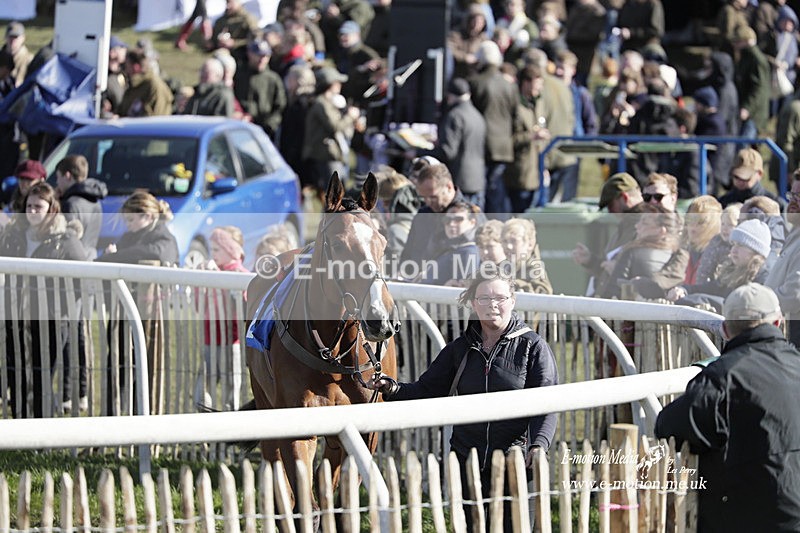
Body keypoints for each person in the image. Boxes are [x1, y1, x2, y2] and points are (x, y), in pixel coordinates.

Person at [368, 273, 558, 529]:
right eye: (484, 298)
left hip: (516, 461)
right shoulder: (460, 349)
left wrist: (538, 445)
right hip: (468, 461)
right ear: (473, 303)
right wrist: (391, 388)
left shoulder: (533, 347)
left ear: (512, 301)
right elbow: (427, 390)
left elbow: (547, 402)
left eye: (500, 298)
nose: (493, 304)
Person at [655, 283, 800, 531]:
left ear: (725, 329)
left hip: (749, 517)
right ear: (778, 323)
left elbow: (668, 426)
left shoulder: (721, 377)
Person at [0, 182, 86, 418]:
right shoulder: (14, 235)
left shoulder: (65, 239)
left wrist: (61, 304)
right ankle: (19, 423)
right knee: (16, 370)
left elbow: (83, 278)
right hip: (16, 314)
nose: (33, 211)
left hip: (51, 318)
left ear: (51, 208)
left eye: (39, 206)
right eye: (29, 206)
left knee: (42, 373)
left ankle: (40, 428)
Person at [195, 226, 249, 410]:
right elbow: (199, 306)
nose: (213, 254)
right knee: (200, 393)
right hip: (210, 340)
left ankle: (228, 433)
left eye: (217, 249)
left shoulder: (239, 273)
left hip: (231, 342)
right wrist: (200, 280)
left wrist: (218, 278)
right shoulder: (211, 271)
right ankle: (207, 427)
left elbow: (242, 307)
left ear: (230, 250)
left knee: (230, 392)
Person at [668, 219, 772, 312]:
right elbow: (709, 289)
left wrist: (699, 299)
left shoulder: (763, 279)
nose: (734, 250)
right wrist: (685, 290)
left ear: (756, 252)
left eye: (741, 245)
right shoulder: (732, 271)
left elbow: (738, 306)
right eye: (733, 244)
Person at [434, 77, 486, 210]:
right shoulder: (477, 115)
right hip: (478, 179)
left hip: (460, 180)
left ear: (450, 96)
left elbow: (448, 152)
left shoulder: (455, 115)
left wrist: (419, 152)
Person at [766, 170, 800, 345]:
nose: (792, 201)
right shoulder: (795, 233)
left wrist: (761, 304)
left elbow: (795, 294)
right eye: (792, 194)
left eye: (799, 196)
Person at [55, 154, 107, 260]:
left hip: (73, 260)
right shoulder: (95, 201)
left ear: (67, 176)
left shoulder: (69, 204)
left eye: (58, 177)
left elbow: (66, 237)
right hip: (90, 257)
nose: (57, 182)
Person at [233, 38, 287, 140]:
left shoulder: (273, 79)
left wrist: (270, 125)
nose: (262, 59)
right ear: (249, 54)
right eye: (258, 55)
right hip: (239, 127)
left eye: (266, 56)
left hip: (264, 131)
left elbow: (280, 106)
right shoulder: (239, 75)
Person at [419, 202, 481, 286]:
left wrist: (446, 287)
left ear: (472, 222)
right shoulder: (449, 247)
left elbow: (464, 291)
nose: (451, 224)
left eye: (458, 219)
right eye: (447, 220)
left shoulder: (469, 251)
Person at [502, 218, 553, 294]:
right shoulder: (504, 266)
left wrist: (516, 285)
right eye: (505, 241)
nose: (508, 246)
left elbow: (543, 293)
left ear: (530, 244)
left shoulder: (534, 269)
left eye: (514, 241)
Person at [118, 48, 173, 118]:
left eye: (127, 66)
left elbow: (155, 118)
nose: (125, 70)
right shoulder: (134, 85)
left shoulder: (154, 86)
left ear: (136, 67)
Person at [1, 21, 32, 87]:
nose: (13, 40)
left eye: (16, 37)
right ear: (5, 37)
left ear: (23, 38)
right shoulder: (1, 57)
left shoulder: (29, 60)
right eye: (10, 36)